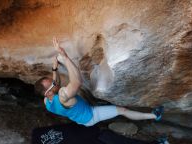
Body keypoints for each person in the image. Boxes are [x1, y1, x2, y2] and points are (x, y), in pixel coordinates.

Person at [34, 37, 164, 127]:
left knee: (93, 102)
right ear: (48, 92)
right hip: (91, 116)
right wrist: (66, 57)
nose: (55, 82)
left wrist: (55, 69)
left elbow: (55, 84)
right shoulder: (62, 96)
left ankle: (97, 103)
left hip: (81, 117)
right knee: (122, 110)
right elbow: (77, 82)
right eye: (52, 84)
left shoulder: (47, 102)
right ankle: (154, 116)